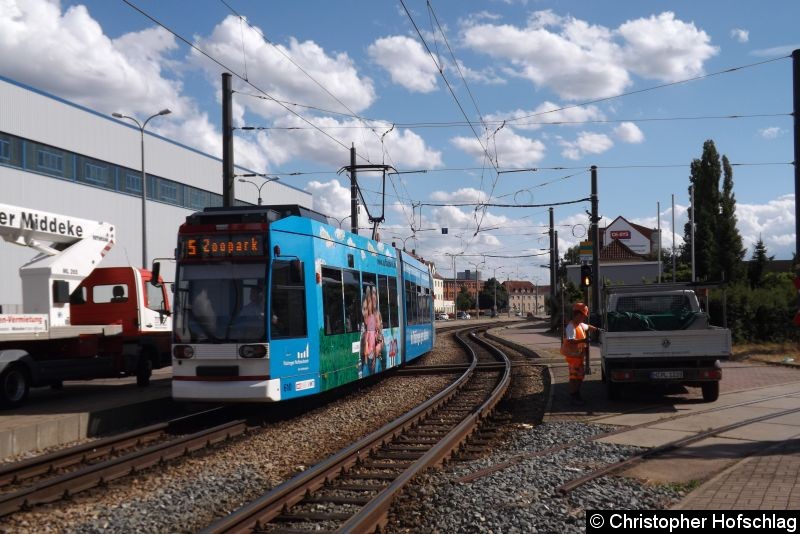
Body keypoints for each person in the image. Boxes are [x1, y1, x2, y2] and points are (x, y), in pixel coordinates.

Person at [560, 302, 598, 406]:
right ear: (578, 315)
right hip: (573, 357)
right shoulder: (571, 327)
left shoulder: (580, 325)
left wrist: (597, 329)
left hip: (578, 356)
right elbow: (571, 341)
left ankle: (576, 394)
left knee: (579, 376)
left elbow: (588, 327)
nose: (584, 318)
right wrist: (584, 340)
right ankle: (574, 396)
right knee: (574, 377)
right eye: (583, 316)